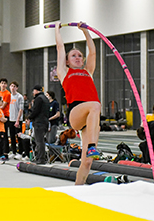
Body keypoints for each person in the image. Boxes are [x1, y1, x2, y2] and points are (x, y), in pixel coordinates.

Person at [55, 21, 102, 185]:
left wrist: (86, 32)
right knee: (96, 105)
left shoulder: (88, 72)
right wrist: (57, 29)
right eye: (73, 55)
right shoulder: (64, 72)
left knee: (87, 162)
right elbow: (60, 48)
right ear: (67, 61)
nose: (77, 57)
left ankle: (78, 189)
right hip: (76, 112)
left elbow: (93, 53)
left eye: (79, 55)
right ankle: (92, 146)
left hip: (90, 117)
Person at [26, 85, 49, 164]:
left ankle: (41, 158)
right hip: (45, 122)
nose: (33, 92)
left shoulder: (38, 99)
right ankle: (41, 157)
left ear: (36, 91)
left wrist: (29, 118)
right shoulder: (45, 98)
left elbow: (36, 111)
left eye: (34, 90)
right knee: (41, 140)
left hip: (39, 122)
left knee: (39, 141)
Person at [8, 81, 24, 160]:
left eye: (14, 86)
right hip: (10, 119)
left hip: (17, 119)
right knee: (12, 136)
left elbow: (21, 109)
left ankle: (20, 152)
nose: (12, 88)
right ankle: (13, 151)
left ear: (17, 88)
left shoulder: (19, 97)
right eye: (11, 86)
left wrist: (17, 120)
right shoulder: (9, 96)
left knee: (19, 136)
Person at [0, 78, 12, 156]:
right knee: (0, 133)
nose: (3, 85)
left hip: (5, 115)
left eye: (5, 83)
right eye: (2, 83)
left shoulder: (7, 94)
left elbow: (3, 105)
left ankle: (5, 151)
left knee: (5, 133)